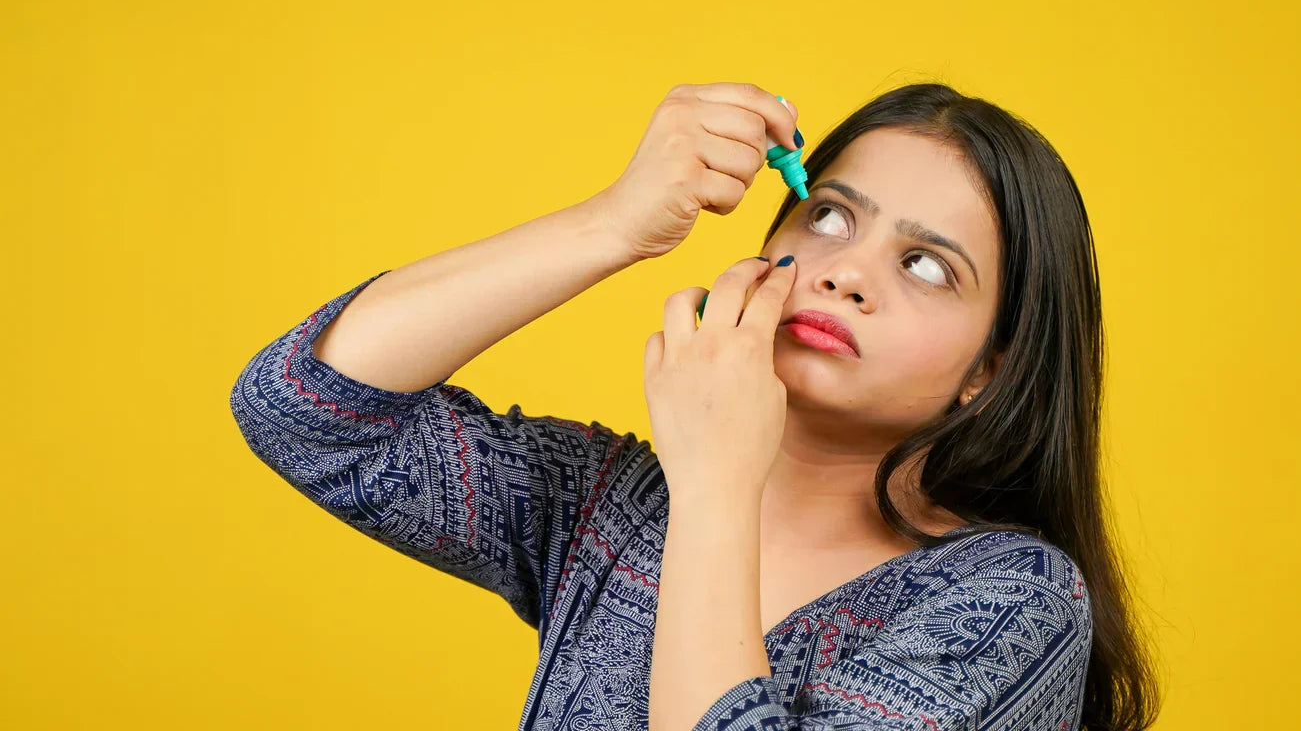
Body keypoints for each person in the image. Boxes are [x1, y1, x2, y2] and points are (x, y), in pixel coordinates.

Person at [229, 81, 1160, 730]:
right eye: (829, 216)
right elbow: (301, 411)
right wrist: (615, 222)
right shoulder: (617, 507)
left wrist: (716, 484)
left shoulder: (1011, 603)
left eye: (924, 265)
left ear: (988, 371)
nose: (844, 272)